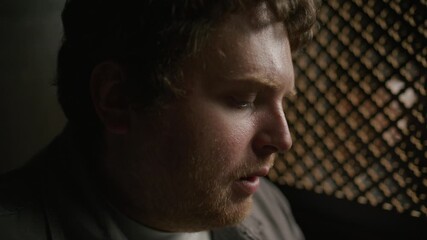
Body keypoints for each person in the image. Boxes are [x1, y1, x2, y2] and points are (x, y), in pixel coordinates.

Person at [0, 0, 318, 239]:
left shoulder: (269, 207)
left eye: (282, 100)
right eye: (243, 100)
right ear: (119, 98)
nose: (283, 139)